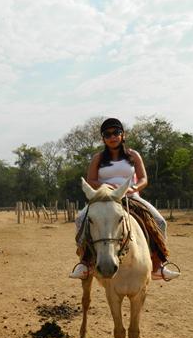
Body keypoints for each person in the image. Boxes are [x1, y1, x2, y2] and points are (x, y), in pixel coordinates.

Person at [69, 117, 180, 281]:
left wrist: (134, 188)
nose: (112, 137)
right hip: (105, 198)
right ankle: (85, 263)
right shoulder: (98, 158)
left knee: (160, 221)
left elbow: (143, 179)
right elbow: (91, 180)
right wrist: (106, 187)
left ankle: (157, 265)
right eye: (107, 134)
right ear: (103, 138)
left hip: (131, 196)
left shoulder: (133, 155)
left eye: (116, 132)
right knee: (80, 219)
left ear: (122, 135)